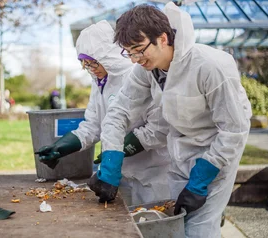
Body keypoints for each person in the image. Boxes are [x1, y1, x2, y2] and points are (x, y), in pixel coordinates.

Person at [88, 3, 252, 237]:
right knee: (177, 224)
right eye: (129, 52)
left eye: (138, 49)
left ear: (163, 38)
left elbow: (234, 129)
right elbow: (118, 112)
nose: (134, 59)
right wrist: (111, 161)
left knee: (198, 230)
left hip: (216, 155)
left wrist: (201, 178)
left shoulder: (210, 66)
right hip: (180, 151)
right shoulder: (147, 70)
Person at [35, 20, 173, 205]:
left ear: (107, 57)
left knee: (152, 223)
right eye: (84, 64)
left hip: (153, 174)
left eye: (93, 63)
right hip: (121, 174)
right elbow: (93, 124)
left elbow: (159, 127)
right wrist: (61, 147)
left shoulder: (138, 75)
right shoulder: (100, 81)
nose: (90, 69)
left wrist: (118, 149)